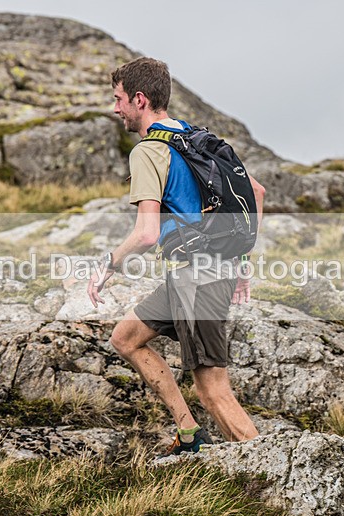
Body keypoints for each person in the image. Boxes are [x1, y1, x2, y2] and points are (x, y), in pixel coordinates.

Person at [87, 57, 265, 455]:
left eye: (118, 99)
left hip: (196, 280)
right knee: (126, 338)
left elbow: (147, 234)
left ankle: (271, 476)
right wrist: (241, 263)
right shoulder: (193, 137)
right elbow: (256, 192)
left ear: (139, 99)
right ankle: (188, 433)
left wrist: (108, 264)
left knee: (213, 390)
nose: (115, 109)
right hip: (196, 275)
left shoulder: (149, 151)